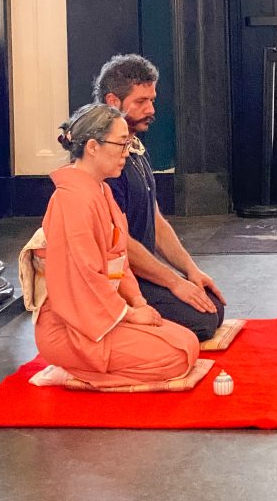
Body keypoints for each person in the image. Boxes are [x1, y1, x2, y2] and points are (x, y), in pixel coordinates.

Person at [34, 103, 199, 389]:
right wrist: (131, 315)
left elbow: (119, 259)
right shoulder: (71, 201)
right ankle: (75, 372)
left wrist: (138, 302)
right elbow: (83, 278)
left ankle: (83, 369)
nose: (127, 153)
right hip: (73, 326)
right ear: (94, 147)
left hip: (105, 314)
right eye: (122, 144)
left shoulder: (101, 191)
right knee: (176, 357)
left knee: (187, 341)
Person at [94, 54, 226, 341]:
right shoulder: (102, 157)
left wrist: (191, 272)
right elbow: (118, 241)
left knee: (212, 308)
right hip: (115, 279)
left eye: (152, 100)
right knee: (203, 321)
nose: (151, 109)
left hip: (140, 270)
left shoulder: (134, 145)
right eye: (141, 102)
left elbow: (156, 220)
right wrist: (174, 283)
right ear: (113, 102)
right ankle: (120, 324)